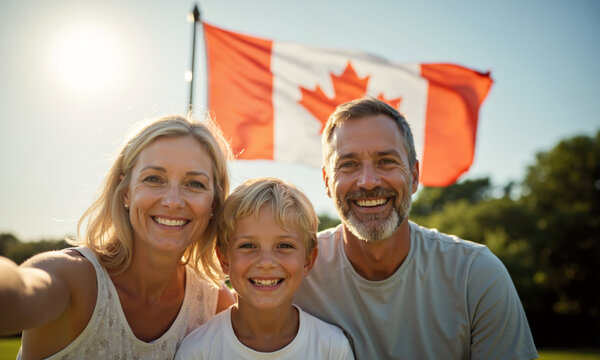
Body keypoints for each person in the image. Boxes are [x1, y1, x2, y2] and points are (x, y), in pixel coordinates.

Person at [292, 97, 539, 360]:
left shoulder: (474, 275)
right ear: (327, 182)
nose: (367, 181)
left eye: (386, 161)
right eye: (349, 164)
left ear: (414, 176)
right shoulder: (294, 273)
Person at [0, 115, 236, 359]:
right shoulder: (71, 278)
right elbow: (20, 292)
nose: (173, 201)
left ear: (214, 204)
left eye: (195, 184)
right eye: (154, 179)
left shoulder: (215, 305)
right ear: (126, 192)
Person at [175, 178, 354, 360]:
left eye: (284, 245)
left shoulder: (332, 348)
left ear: (308, 260)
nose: (266, 262)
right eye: (248, 245)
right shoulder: (198, 351)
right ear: (224, 260)